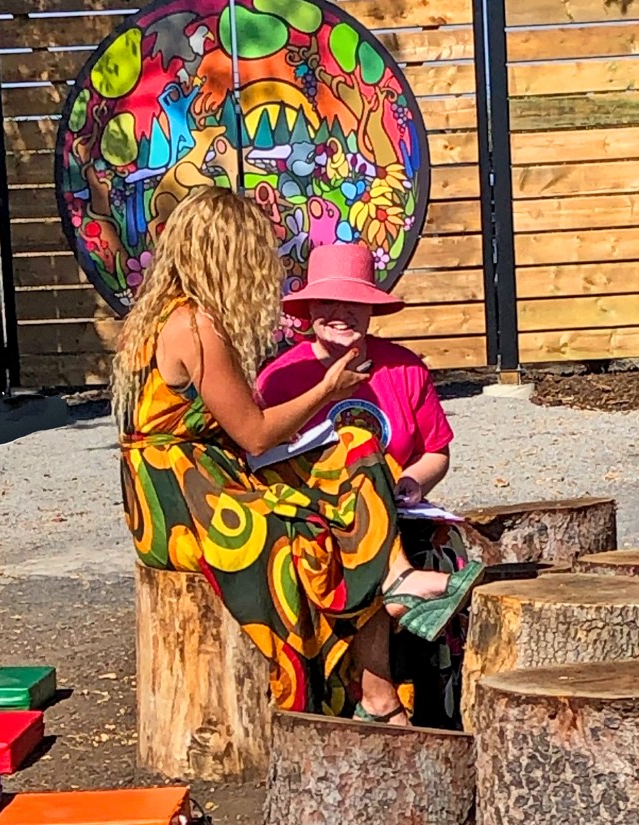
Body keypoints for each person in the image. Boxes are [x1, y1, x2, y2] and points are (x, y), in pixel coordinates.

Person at [112, 187, 483, 726]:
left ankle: (390, 623)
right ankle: (374, 665)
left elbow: (433, 449)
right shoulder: (196, 326)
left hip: (171, 487)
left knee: (352, 454)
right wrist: (328, 391)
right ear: (228, 254)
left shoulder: (157, 316)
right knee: (313, 532)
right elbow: (256, 434)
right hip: (187, 497)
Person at [256, 242, 471, 727]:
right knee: (354, 545)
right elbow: (266, 456)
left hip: (401, 509)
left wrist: (413, 482)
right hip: (321, 515)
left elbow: (435, 450)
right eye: (328, 302)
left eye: (353, 302)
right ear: (309, 309)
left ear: (371, 308)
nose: (340, 313)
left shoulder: (404, 367)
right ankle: (372, 695)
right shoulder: (281, 377)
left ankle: (447, 708)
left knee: (448, 547)